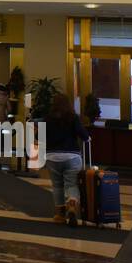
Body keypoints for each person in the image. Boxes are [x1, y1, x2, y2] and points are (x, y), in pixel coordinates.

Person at [45, 92, 89, 225]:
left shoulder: (48, 118)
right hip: (72, 156)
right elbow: (83, 134)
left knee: (57, 186)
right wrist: (87, 137)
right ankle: (72, 205)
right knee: (72, 184)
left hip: (52, 156)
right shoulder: (72, 117)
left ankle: (60, 215)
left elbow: (40, 137)